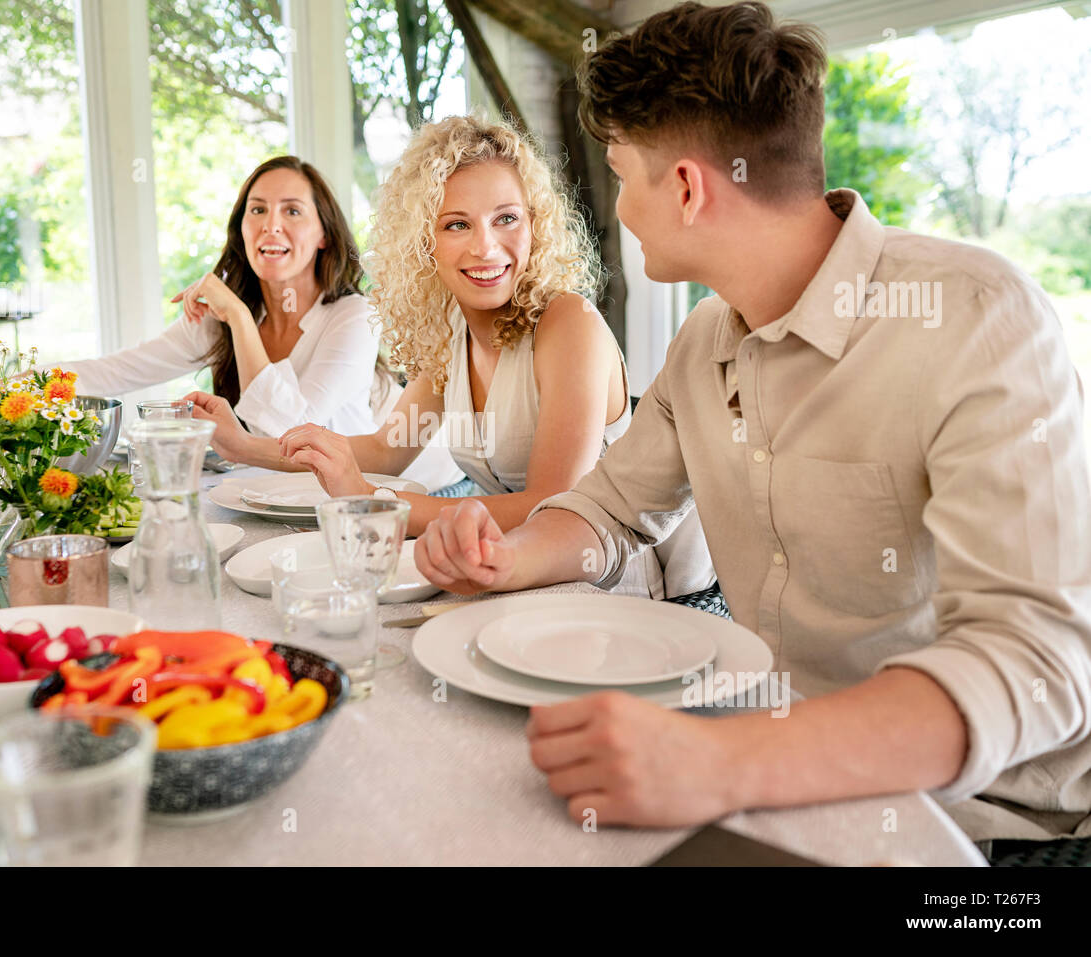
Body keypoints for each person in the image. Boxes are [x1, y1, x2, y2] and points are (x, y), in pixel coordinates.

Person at [413, 1, 1091, 845]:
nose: (618, 206)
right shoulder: (705, 340)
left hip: (1000, 827)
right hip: (784, 777)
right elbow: (612, 510)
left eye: (622, 174)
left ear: (689, 188)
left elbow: (1038, 668)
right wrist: (507, 556)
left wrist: (719, 762)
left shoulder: (979, 320)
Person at [192, 116, 714, 598]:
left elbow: (553, 502)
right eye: (457, 225)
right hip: (500, 577)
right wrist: (243, 446)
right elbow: (381, 450)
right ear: (425, 243)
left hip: (600, 591)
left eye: (507, 218)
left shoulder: (568, 322)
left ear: (535, 226)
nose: (486, 248)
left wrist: (376, 501)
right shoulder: (451, 336)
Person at [54, 155, 460, 491]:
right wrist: (12, 388)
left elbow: (297, 432)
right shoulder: (221, 316)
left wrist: (240, 320)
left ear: (323, 234)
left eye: (293, 211)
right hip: (295, 494)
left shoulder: (353, 315)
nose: (271, 224)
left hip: (420, 487)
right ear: (242, 228)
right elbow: (114, 372)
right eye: (258, 210)